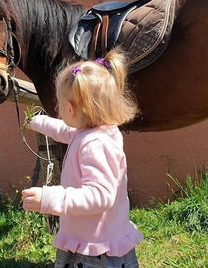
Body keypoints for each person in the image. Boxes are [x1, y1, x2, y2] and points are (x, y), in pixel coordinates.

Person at [22, 50, 143, 268]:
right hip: (92, 240)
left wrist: (50, 199)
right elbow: (62, 129)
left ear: (70, 108)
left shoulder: (95, 144)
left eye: (59, 105)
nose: (58, 111)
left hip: (95, 252)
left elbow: (100, 196)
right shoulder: (94, 131)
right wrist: (36, 122)